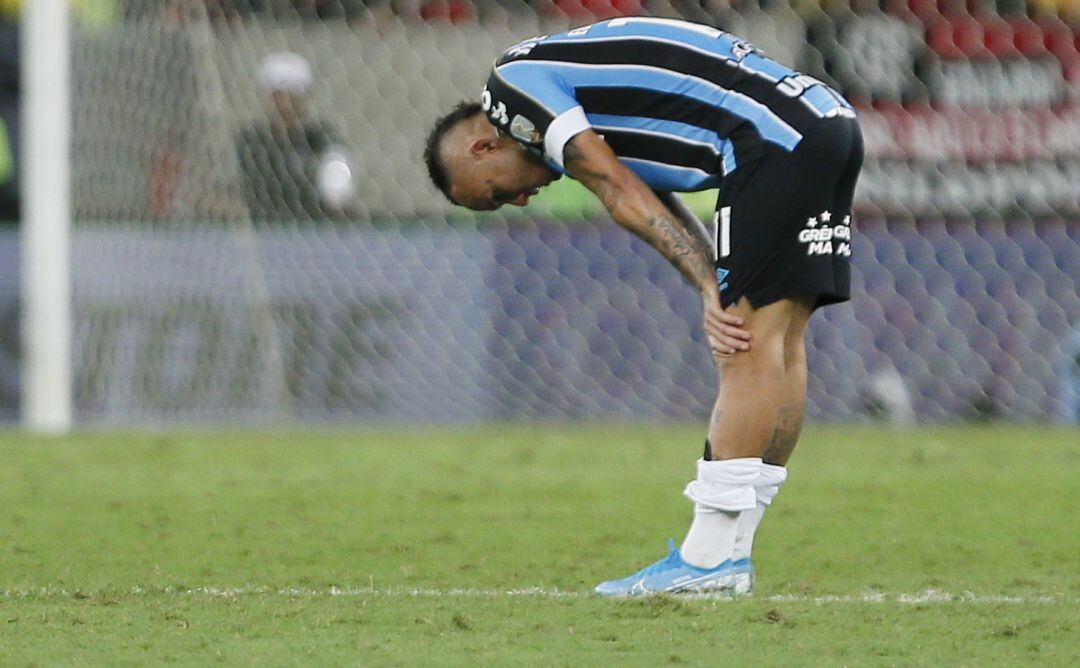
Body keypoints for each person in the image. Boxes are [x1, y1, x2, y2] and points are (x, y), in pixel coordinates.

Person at [424, 16, 863, 596]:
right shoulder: (561, 107)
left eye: (499, 193)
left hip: (768, 143)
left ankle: (708, 562)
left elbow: (615, 188)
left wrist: (713, 288)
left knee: (746, 344)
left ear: (483, 144)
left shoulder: (512, 88)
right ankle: (730, 552)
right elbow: (640, 186)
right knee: (778, 341)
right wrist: (710, 279)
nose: (523, 200)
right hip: (825, 122)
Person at [236, 51, 357, 222]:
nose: (284, 102)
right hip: (262, 227)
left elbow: (338, 199)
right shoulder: (252, 141)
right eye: (278, 94)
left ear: (306, 96)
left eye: (291, 94)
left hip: (312, 229)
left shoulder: (322, 141)